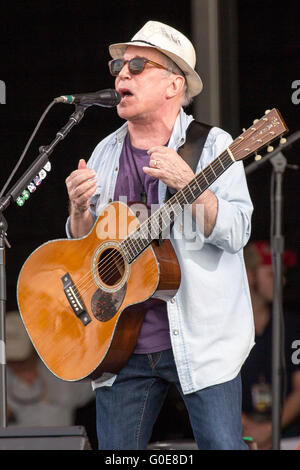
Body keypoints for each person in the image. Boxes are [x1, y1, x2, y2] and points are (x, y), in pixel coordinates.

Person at [65, 20, 254, 450]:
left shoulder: (214, 145)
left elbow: (238, 231)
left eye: (136, 65)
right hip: (119, 342)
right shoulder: (104, 151)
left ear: (174, 84)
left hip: (200, 341)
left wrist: (193, 186)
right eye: (118, 65)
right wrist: (77, 211)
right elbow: (87, 248)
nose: (121, 75)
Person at [242, 241, 300, 449]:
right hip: (238, 434)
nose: (282, 281)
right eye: (272, 275)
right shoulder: (225, 327)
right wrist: (248, 429)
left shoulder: (292, 325)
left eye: (283, 274)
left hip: (287, 436)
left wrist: (268, 430)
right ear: (249, 275)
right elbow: (210, 383)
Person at [6, 311, 95, 429]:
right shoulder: (3, 380)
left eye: (21, 360)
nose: (16, 364)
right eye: (11, 360)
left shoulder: (61, 371)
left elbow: (96, 383)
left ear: (34, 349)